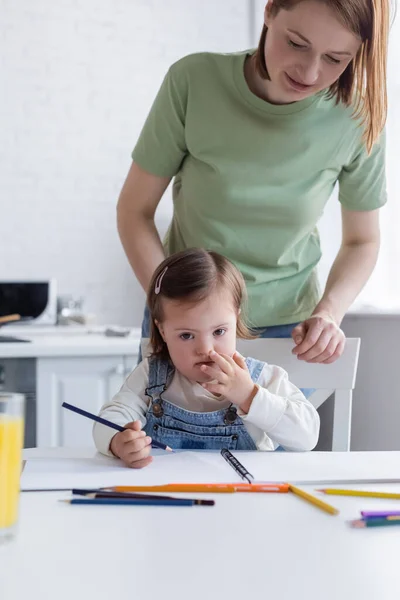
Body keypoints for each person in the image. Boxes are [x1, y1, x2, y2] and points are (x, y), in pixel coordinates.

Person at [117, 0, 389, 365]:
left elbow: (362, 240)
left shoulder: (357, 117)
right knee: (164, 425)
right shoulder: (194, 81)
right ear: (270, 10)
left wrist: (329, 312)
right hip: (185, 326)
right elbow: (135, 211)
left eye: (336, 58)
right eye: (296, 43)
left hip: (287, 333)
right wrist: (173, 310)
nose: (309, 73)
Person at [93, 249, 320, 467]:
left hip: (244, 498)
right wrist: (118, 440)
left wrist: (249, 396)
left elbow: (307, 436)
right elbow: (112, 416)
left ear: (236, 319)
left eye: (219, 332)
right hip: (166, 495)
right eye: (186, 335)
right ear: (162, 331)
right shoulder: (151, 374)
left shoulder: (262, 379)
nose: (205, 348)